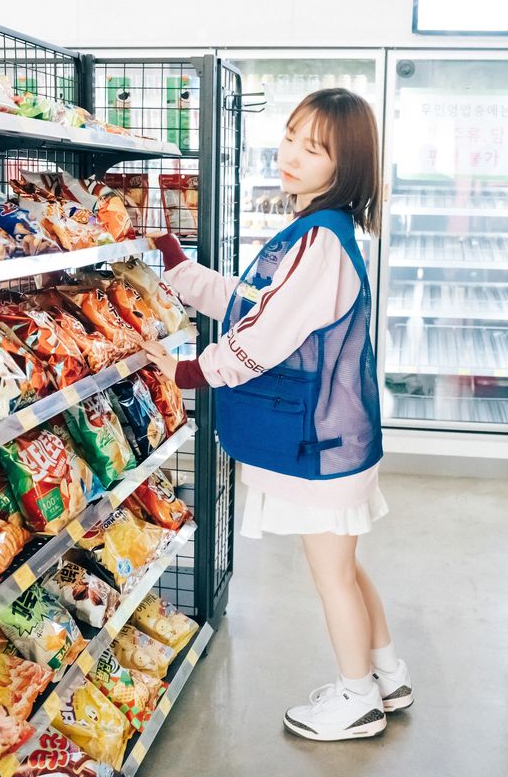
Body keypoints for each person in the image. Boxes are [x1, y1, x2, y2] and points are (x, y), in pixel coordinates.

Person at [141, 87, 411, 742]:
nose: (290, 155)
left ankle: (357, 700)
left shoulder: (320, 242)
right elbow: (253, 302)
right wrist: (175, 262)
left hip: (321, 440)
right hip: (337, 435)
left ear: (345, 165)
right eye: (290, 136)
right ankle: (388, 675)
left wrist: (186, 371)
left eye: (312, 149)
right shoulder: (319, 232)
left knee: (333, 575)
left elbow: (262, 335)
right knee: (345, 566)